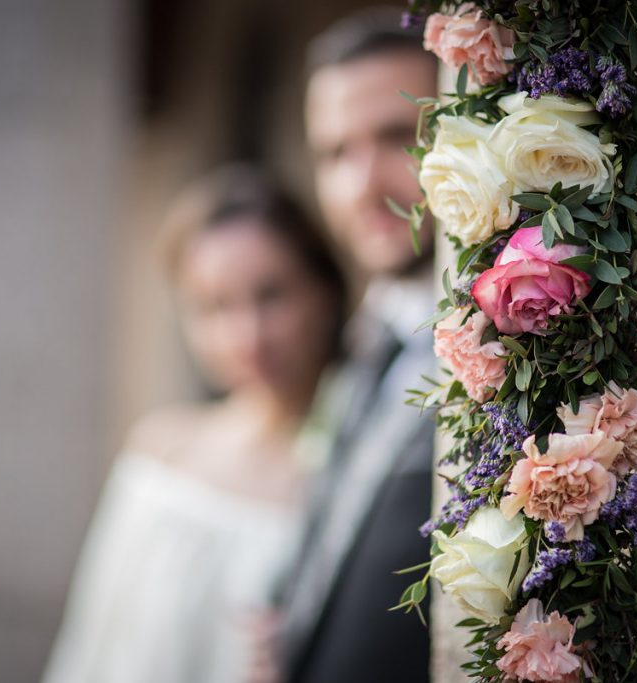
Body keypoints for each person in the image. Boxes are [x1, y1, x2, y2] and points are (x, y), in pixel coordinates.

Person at [43, 166, 347, 683]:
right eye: (214, 307)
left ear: (322, 290)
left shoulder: (349, 473)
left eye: (270, 295)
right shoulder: (160, 453)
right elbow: (91, 648)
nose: (247, 335)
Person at [272, 10, 439, 683]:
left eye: (398, 136)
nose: (361, 185)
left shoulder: (526, 345)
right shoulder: (361, 342)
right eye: (335, 152)